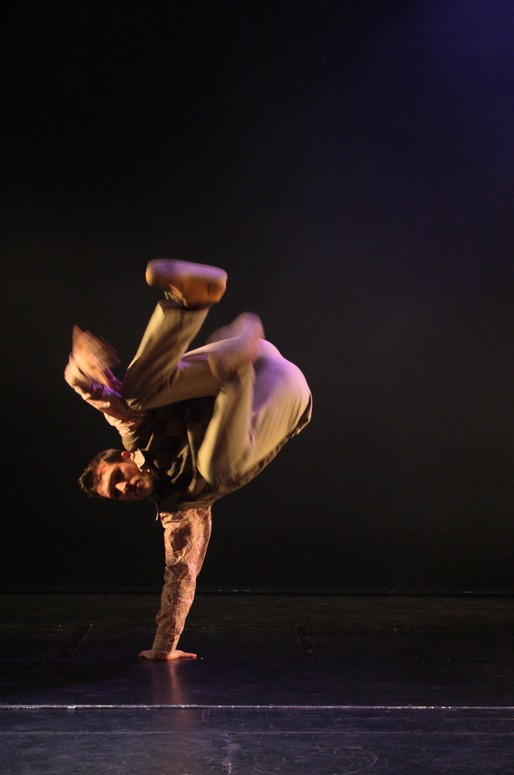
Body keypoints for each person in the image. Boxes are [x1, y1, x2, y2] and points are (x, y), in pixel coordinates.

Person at [65, 259, 312, 660]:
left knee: (132, 395)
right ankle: (235, 370)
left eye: (118, 478)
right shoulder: (180, 510)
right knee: (214, 469)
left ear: (125, 457)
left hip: (252, 357)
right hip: (282, 394)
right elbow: (180, 576)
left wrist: (78, 368)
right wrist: (164, 648)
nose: (125, 488)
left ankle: (189, 303)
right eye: (118, 494)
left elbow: (99, 395)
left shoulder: (136, 433)